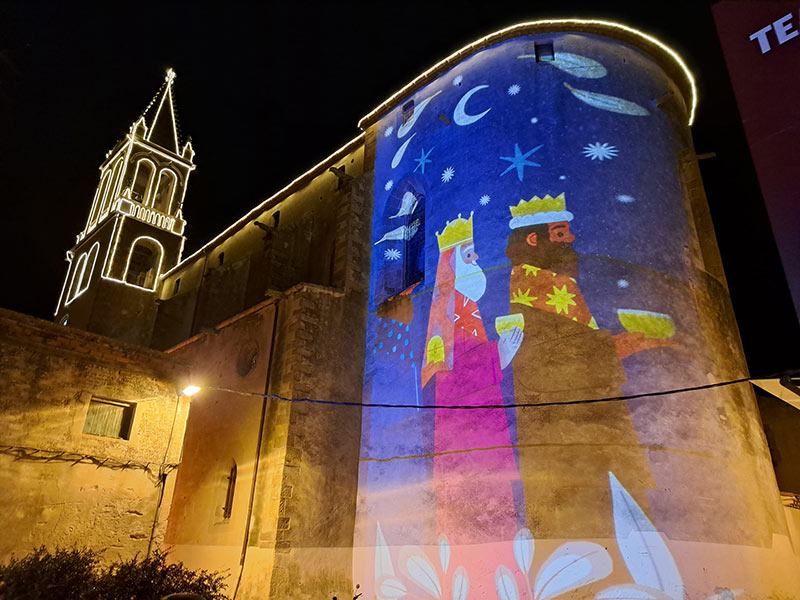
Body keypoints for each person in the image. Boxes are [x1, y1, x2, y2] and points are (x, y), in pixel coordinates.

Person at [504, 193, 674, 540]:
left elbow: (573, 350)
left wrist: (620, 345)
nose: (572, 239)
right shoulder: (531, 286)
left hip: (594, 440)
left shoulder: (557, 285)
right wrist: (619, 347)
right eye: (561, 233)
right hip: (570, 449)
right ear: (535, 239)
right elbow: (545, 365)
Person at [420, 212, 523, 595]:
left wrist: (498, 352)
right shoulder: (445, 317)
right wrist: (500, 355)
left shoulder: (467, 308)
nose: (478, 259)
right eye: (470, 254)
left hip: (488, 428)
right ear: (451, 265)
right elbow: (449, 376)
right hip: (467, 442)